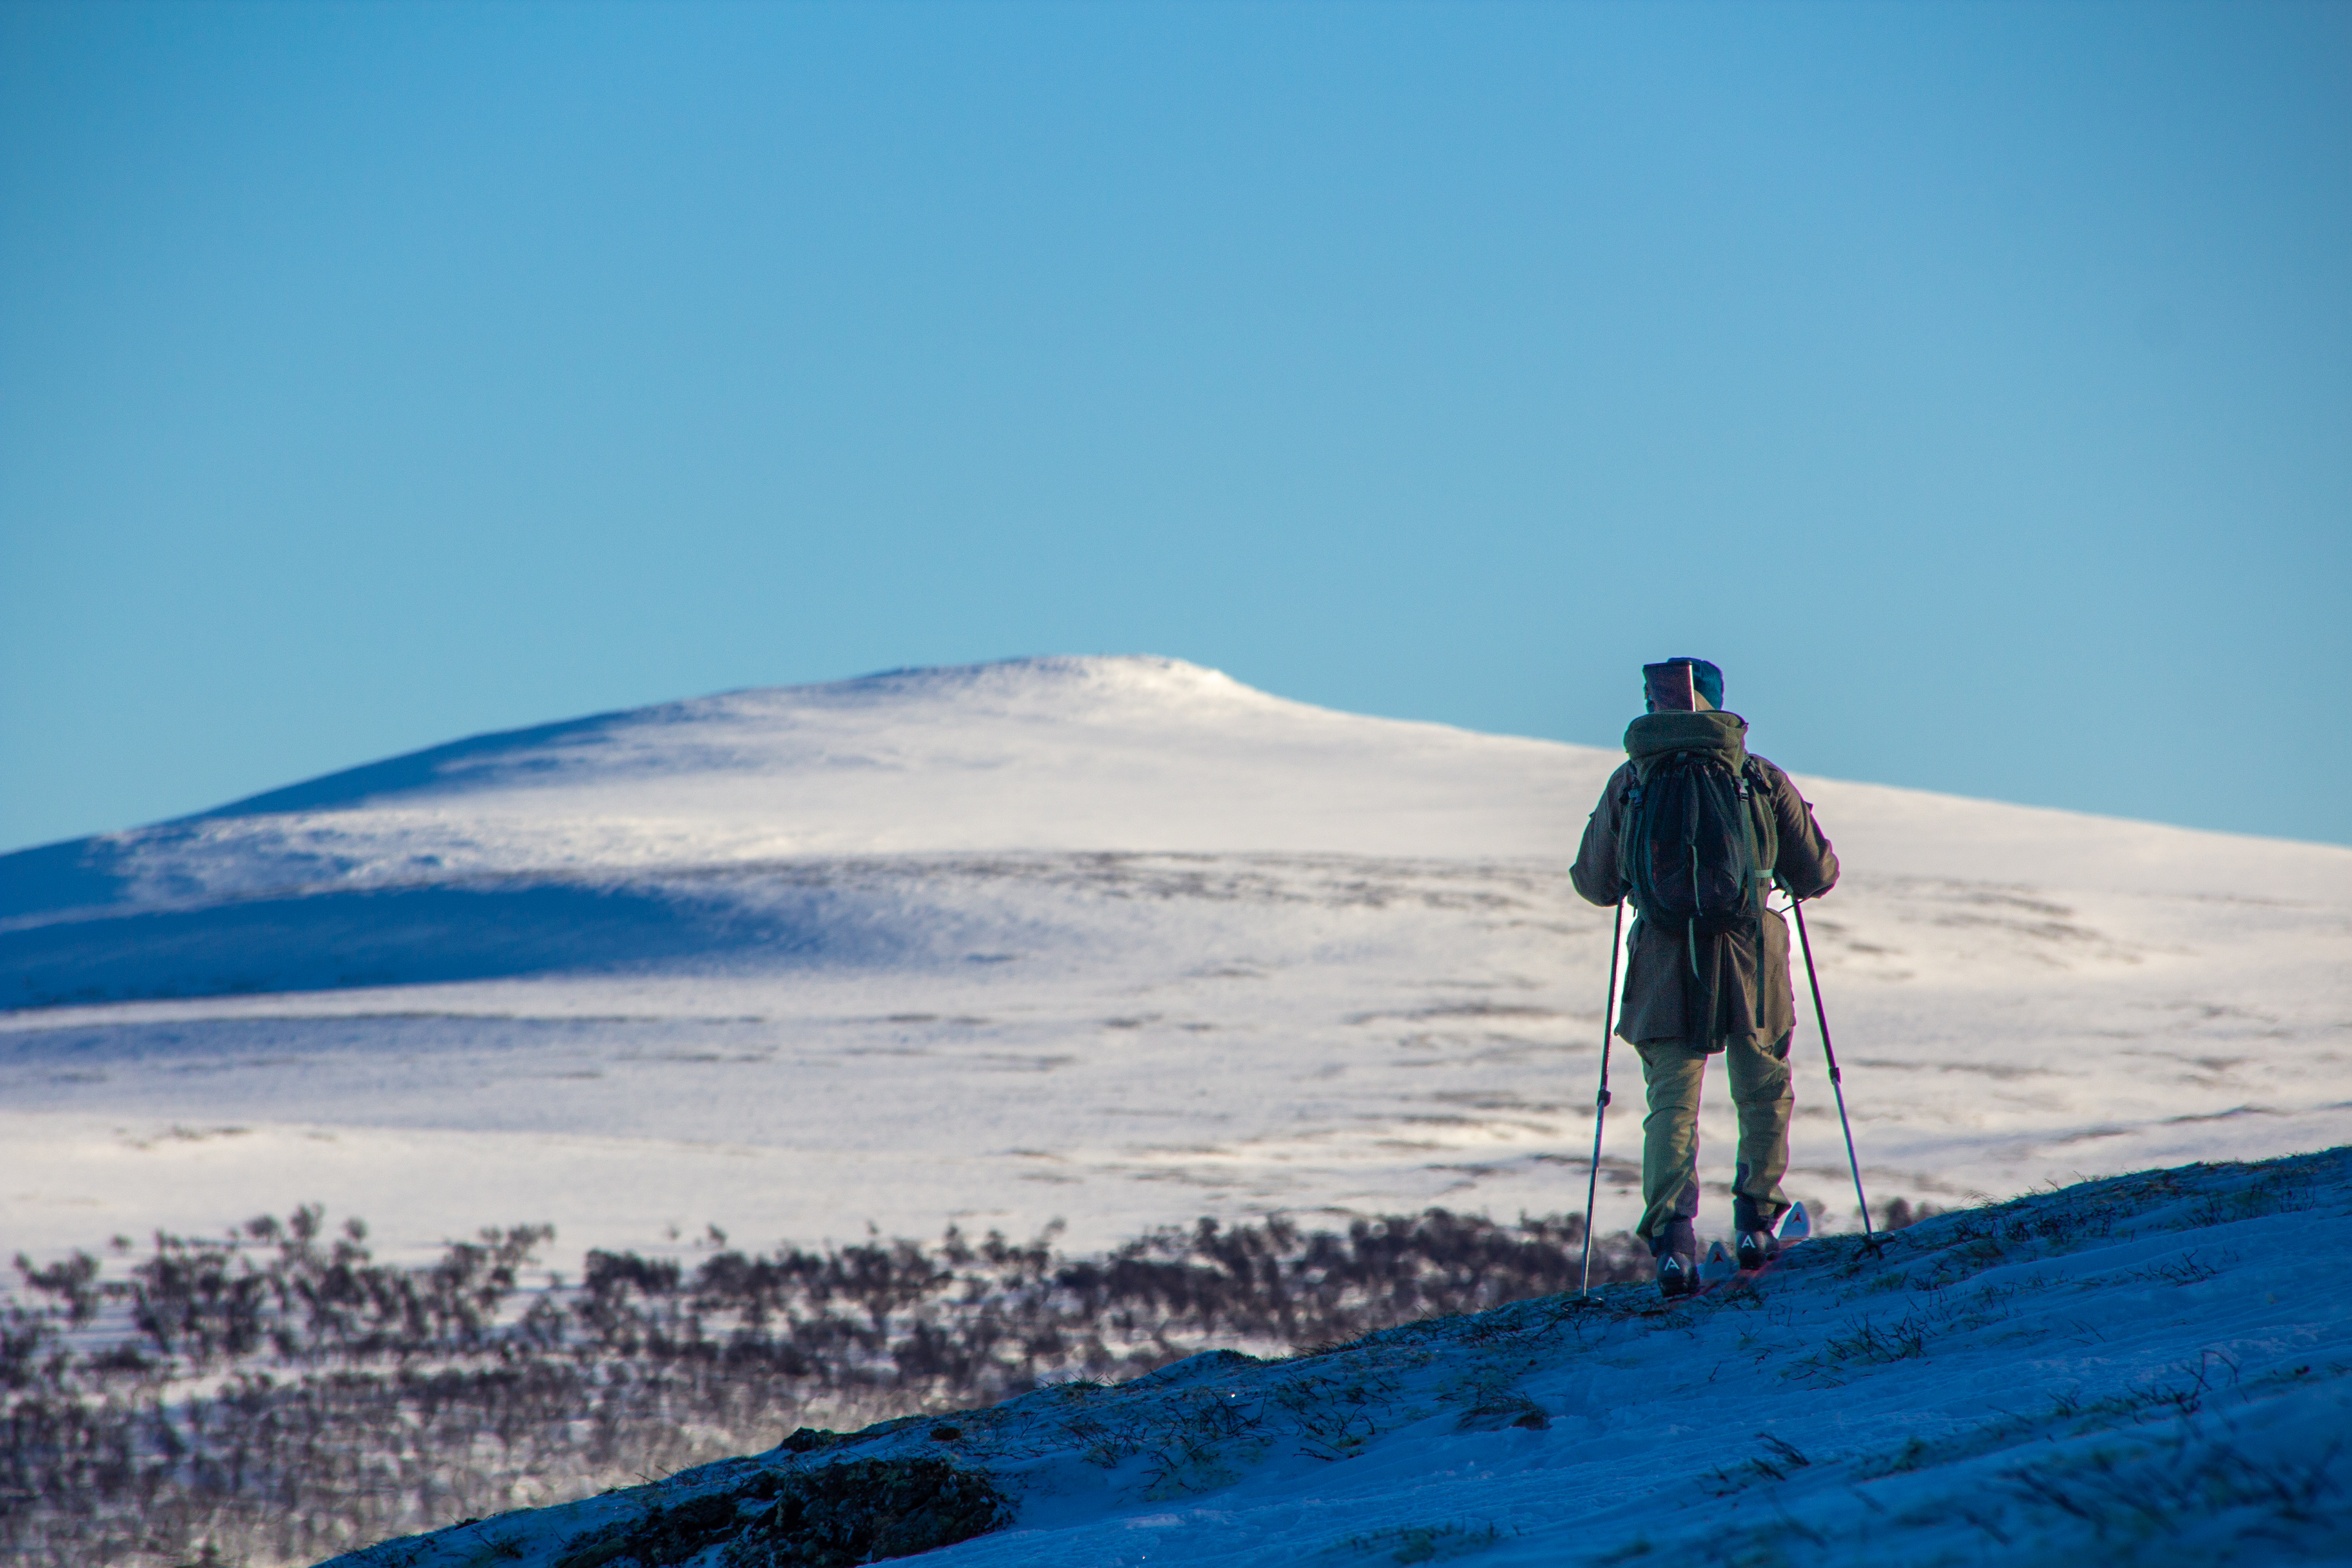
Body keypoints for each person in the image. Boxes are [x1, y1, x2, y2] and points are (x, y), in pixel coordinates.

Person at [1570, 657, 1839, 1298]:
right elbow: (1817, 873)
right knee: (1763, 1087)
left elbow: (1595, 883)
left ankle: (1673, 1243)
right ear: (1719, 703)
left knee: (1671, 1102)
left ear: (1652, 707)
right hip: (1751, 952)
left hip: (1664, 960)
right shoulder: (1756, 776)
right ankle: (1757, 1222)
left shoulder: (1631, 781)